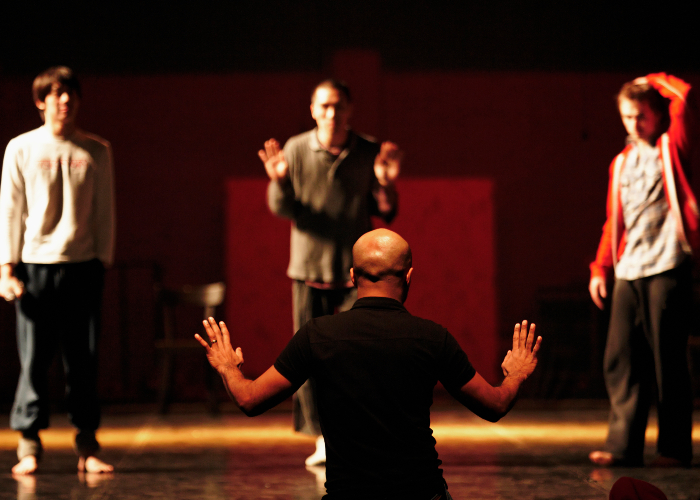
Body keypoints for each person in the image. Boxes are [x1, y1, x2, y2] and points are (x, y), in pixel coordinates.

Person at [196, 228, 542, 499]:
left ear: (351, 276)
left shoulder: (317, 335)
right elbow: (495, 406)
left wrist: (228, 367)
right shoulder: (432, 338)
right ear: (408, 277)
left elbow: (249, 399)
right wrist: (515, 375)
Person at [257, 79, 402, 465]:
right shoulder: (296, 148)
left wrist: (386, 183)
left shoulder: (368, 149)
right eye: (324, 106)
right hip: (308, 267)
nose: (331, 114)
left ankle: (366, 432)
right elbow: (282, 208)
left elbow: (385, 209)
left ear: (350, 109)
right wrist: (281, 180)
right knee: (309, 355)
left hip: (358, 270)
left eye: (338, 106)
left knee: (365, 354)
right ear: (312, 109)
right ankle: (320, 436)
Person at [0, 66, 115, 475]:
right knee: (33, 360)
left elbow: (105, 212)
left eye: (70, 94)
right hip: (35, 267)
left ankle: (87, 444)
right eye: (56, 93)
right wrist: (6, 269)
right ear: (40, 100)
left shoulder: (96, 150)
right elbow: (10, 210)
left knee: (82, 360)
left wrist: (103, 259)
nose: (65, 101)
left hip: (82, 267)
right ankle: (29, 444)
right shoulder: (21, 148)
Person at [588, 73, 698, 467]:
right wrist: (600, 268)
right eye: (628, 117)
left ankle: (673, 447)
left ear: (656, 116)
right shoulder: (621, 163)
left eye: (642, 116)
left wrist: (650, 80)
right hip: (629, 267)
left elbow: (683, 96)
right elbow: (613, 221)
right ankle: (623, 446)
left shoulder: (671, 148)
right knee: (620, 358)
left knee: (667, 358)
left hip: (668, 263)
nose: (635, 125)